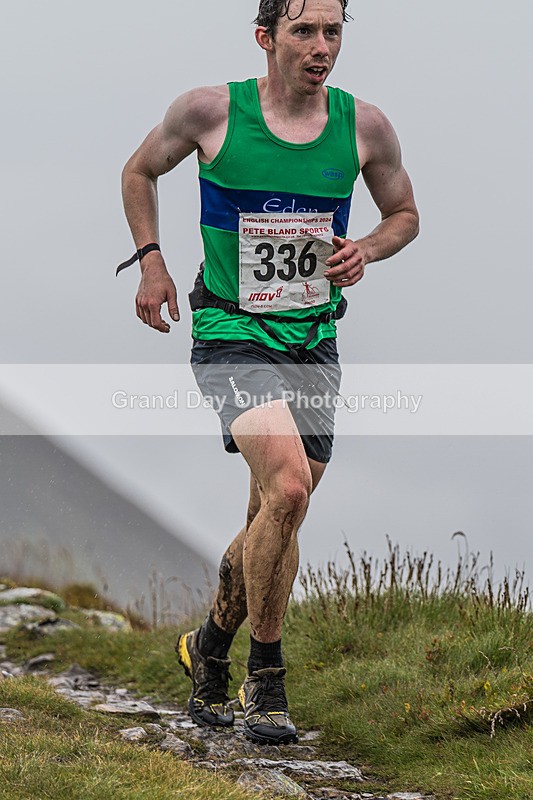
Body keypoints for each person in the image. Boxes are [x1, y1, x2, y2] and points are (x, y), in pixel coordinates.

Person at [120, 0, 419, 745]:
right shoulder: (209, 111)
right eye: (304, 31)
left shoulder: (365, 126)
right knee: (287, 487)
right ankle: (266, 679)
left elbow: (404, 212)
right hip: (228, 331)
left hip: (312, 341)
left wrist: (368, 250)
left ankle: (206, 652)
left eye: (333, 32)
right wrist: (152, 262)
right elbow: (138, 171)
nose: (321, 47)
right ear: (266, 37)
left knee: (275, 514)